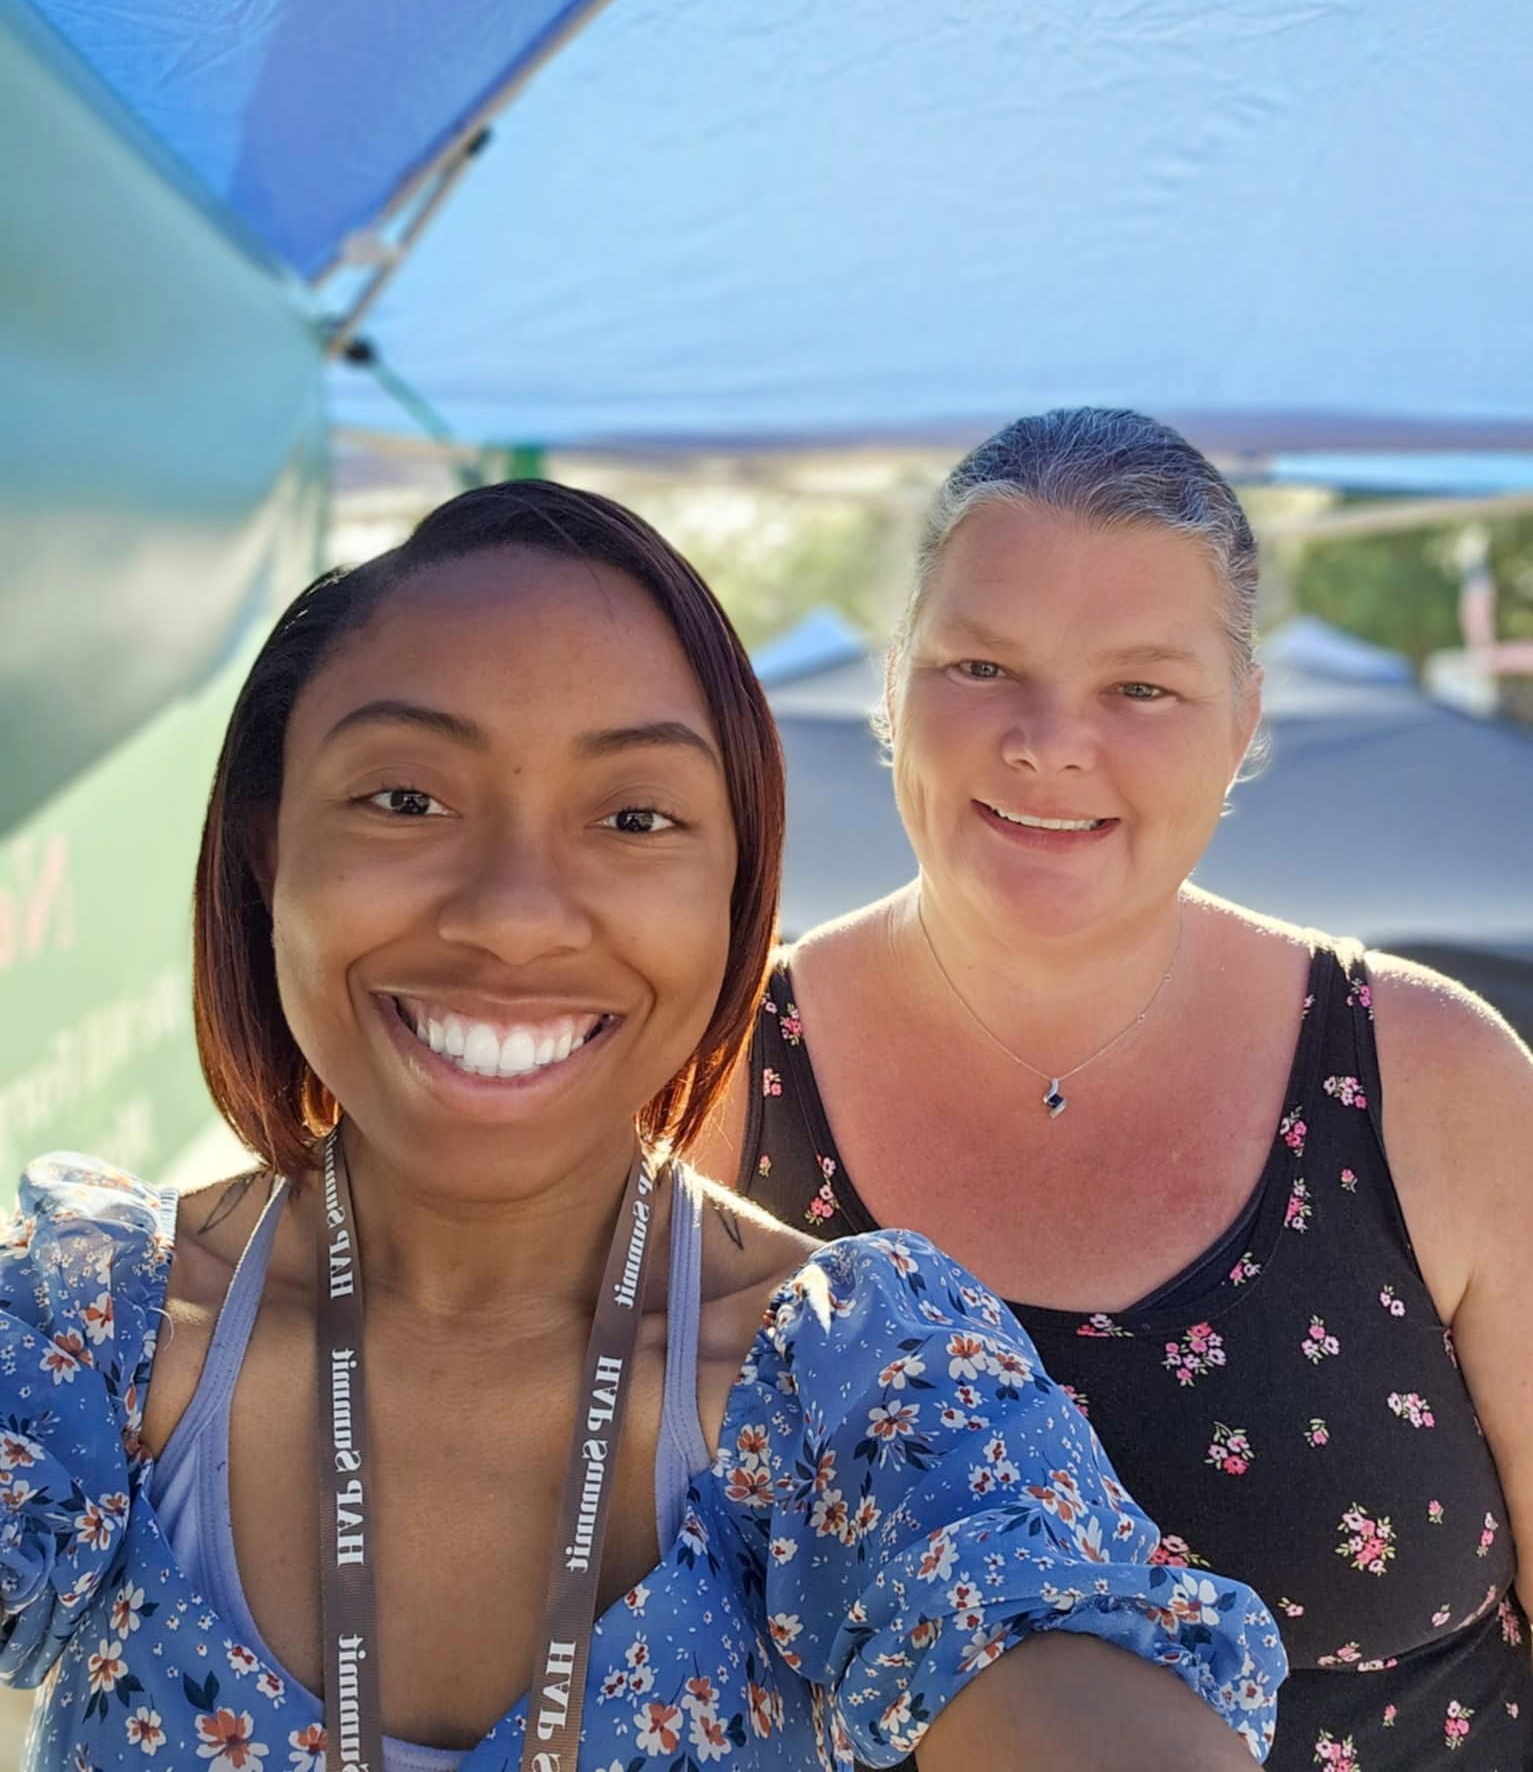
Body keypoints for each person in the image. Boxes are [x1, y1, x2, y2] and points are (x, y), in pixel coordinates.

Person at [0, 480, 1282, 1772]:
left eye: (633, 819)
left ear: (736, 892)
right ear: (271, 845)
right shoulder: (90, 1339)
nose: (513, 914)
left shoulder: (858, 1381)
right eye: (404, 798)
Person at [698, 409, 1533, 1771]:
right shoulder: (715, 1080)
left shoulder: (1433, 1078)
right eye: (980, 666)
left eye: (1141, 688)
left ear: (1244, 719)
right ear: (895, 681)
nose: (1048, 740)